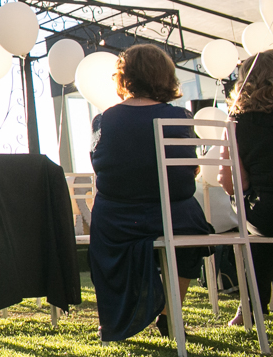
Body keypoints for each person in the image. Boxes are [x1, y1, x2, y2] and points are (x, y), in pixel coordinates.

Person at [88, 44, 212, 341]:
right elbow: (189, 173)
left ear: (124, 77)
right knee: (194, 222)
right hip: (172, 217)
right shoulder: (180, 118)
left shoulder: (104, 120)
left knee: (103, 210)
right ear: (165, 77)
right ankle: (170, 314)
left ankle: (116, 318)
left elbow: (100, 167)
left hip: (118, 221)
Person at [221, 53, 273, 327]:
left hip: (265, 215)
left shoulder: (236, 123)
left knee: (251, 220)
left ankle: (251, 307)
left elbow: (232, 183)